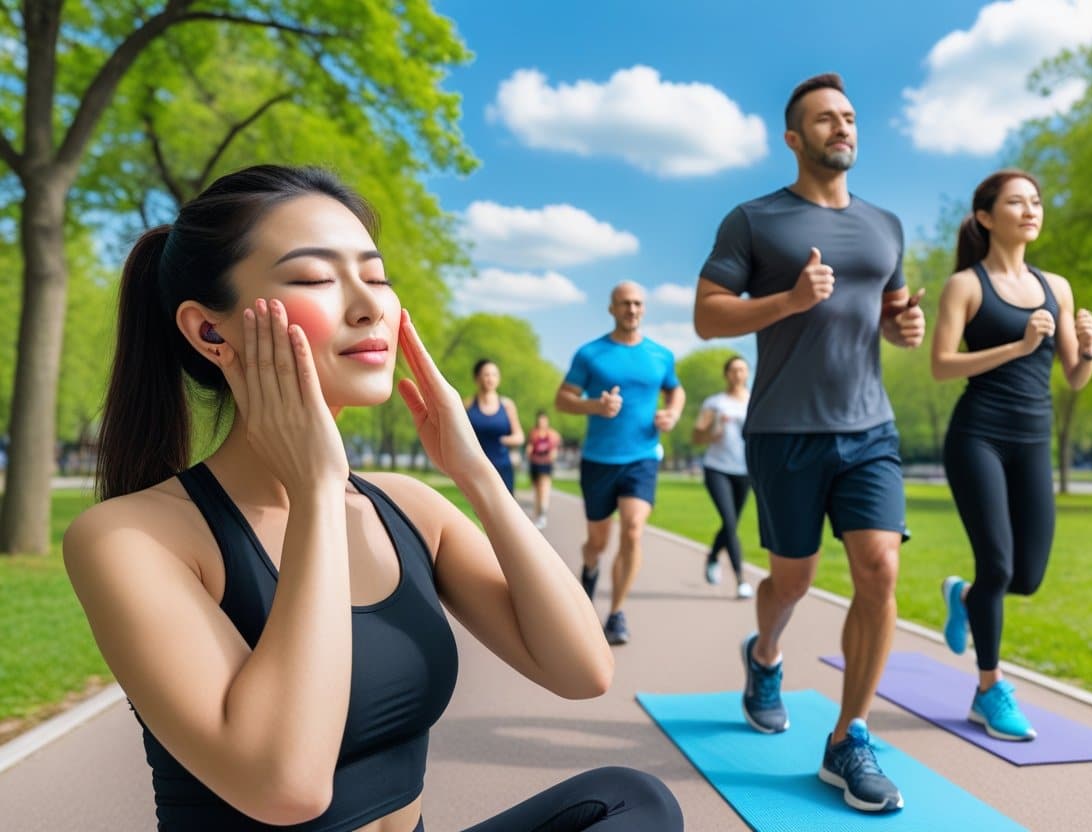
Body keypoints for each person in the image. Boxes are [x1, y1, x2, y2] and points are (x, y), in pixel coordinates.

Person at [63, 165, 683, 832]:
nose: (369, 306)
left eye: (376, 276)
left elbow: (582, 670)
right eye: (315, 279)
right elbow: (286, 787)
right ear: (211, 332)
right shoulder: (130, 537)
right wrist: (316, 490)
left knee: (632, 800)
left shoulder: (406, 505)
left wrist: (474, 471)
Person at [693, 73, 925, 814]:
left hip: (869, 428)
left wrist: (902, 327)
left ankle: (848, 737)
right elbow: (707, 316)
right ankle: (765, 659)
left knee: (879, 569)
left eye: (850, 117)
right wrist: (788, 301)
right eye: (826, 120)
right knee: (790, 580)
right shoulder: (754, 220)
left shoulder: (886, 225)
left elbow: (888, 311)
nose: (843, 128)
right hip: (784, 430)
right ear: (794, 138)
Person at [931, 169, 1092, 742]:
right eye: (1016, 202)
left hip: (1033, 442)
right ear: (985, 216)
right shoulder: (966, 286)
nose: (1030, 211)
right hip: (978, 436)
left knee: (1025, 578)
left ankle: (962, 595)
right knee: (997, 565)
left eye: (1036, 202)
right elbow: (941, 365)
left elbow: (1074, 377)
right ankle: (988, 689)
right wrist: (1019, 345)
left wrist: (1091, 348)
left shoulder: (1057, 285)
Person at [556, 281, 685, 647]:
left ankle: (616, 613)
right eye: (624, 303)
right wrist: (594, 405)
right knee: (597, 542)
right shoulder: (591, 354)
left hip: (642, 457)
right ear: (611, 309)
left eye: (638, 304)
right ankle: (591, 569)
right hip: (599, 461)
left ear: (644, 309)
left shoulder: (661, 355)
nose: (632, 309)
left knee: (632, 530)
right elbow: (563, 399)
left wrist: (672, 413)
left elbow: (675, 388)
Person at [690, 354, 754, 600]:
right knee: (729, 522)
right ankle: (740, 580)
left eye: (742, 370)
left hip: (745, 471)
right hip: (717, 469)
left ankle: (713, 556)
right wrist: (713, 432)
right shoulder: (715, 403)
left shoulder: (755, 401)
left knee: (732, 523)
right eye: (733, 370)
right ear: (726, 374)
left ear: (747, 374)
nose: (738, 374)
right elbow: (697, 437)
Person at [465, 358, 524, 493]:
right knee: (480, 511)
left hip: (503, 466)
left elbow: (519, 436)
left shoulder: (507, 405)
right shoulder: (467, 405)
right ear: (477, 378)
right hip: (477, 467)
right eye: (486, 374)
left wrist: (505, 440)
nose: (490, 378)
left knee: (506, 510)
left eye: (494, 374)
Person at [525, 410, 562, 529]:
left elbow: (555, 448)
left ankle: (543, 514)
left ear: (547, 421)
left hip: (546, 464)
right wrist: (528, 452)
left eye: (544, 421)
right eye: (540, 421)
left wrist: (553, 454)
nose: (542, 423)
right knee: (537, 490)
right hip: (535, 463)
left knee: (544, 487)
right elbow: (530, 447)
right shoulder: (533, 433)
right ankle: (537, 513)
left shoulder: (552, 434)